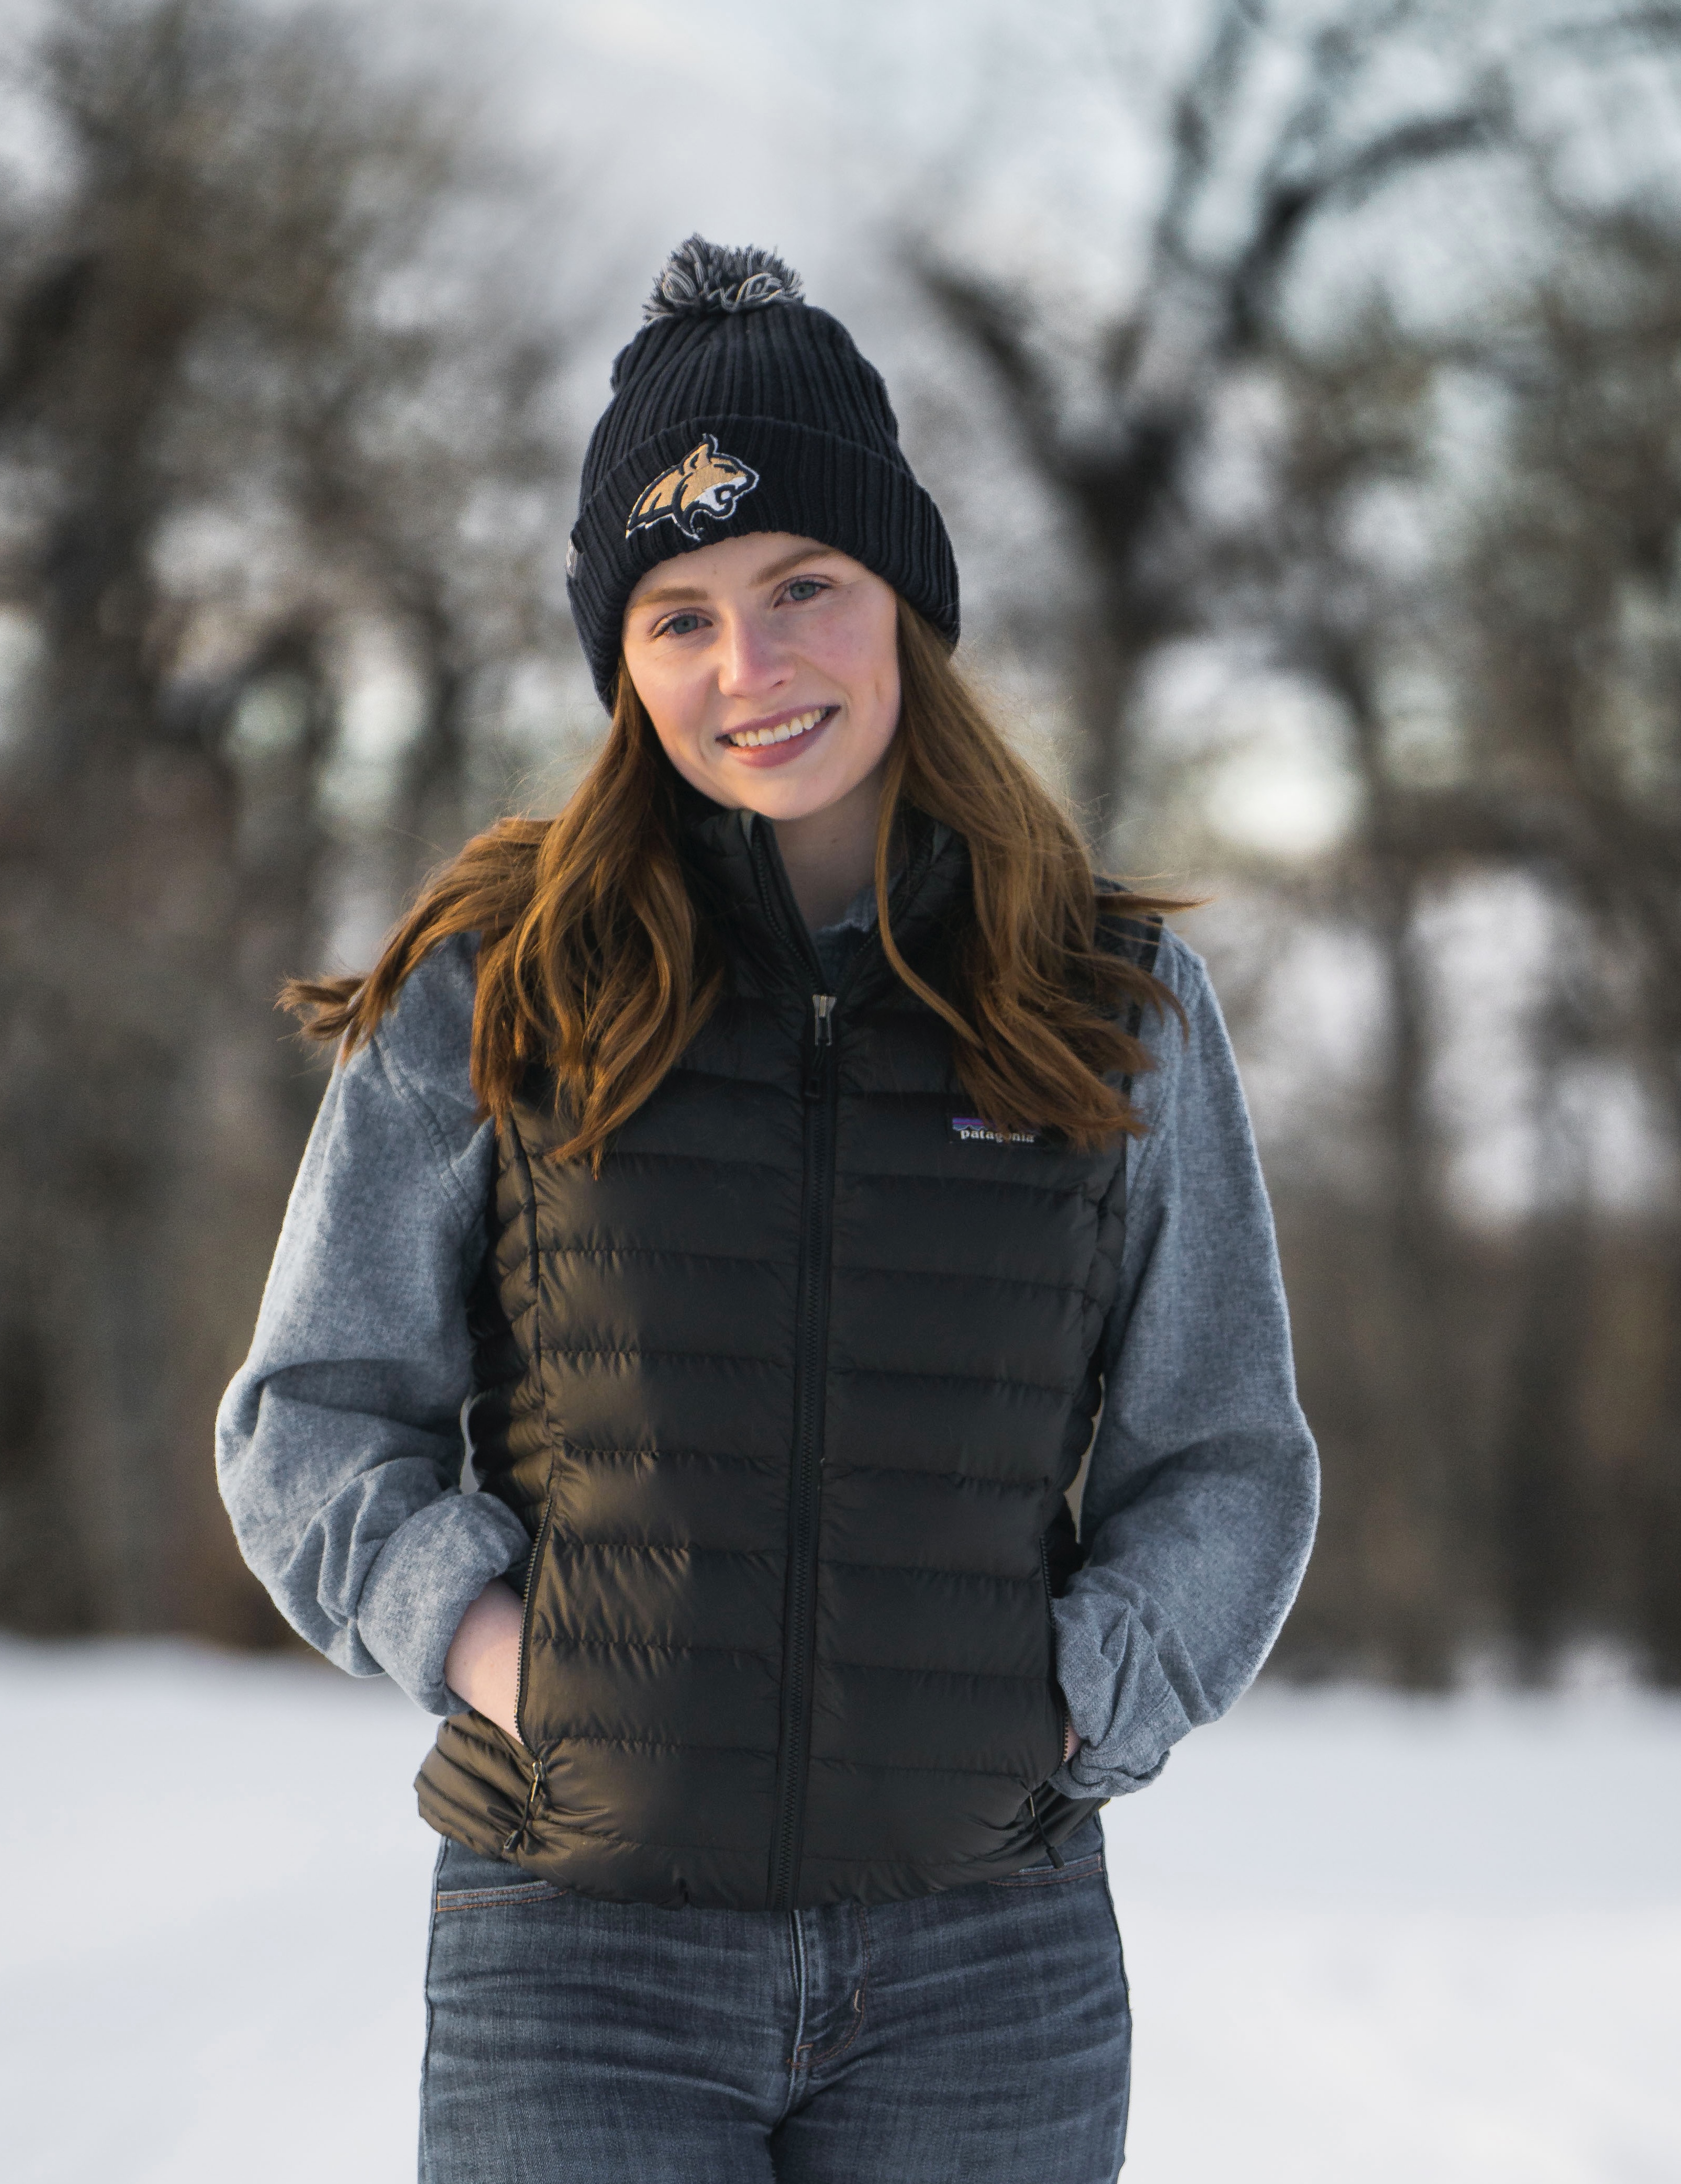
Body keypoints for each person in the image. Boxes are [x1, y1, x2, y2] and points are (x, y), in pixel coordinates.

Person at [216, 237, 1318, 2184]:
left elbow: (1222, 1451)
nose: (754, 670)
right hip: (580, 1954)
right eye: (680, 616)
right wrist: (502, 1656)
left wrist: (1076, 1704)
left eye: (803, 587)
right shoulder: (499, 980)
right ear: (620, 659)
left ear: (903, 594)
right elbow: (308, 1413)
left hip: (986, 1962)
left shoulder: (1104, 992)